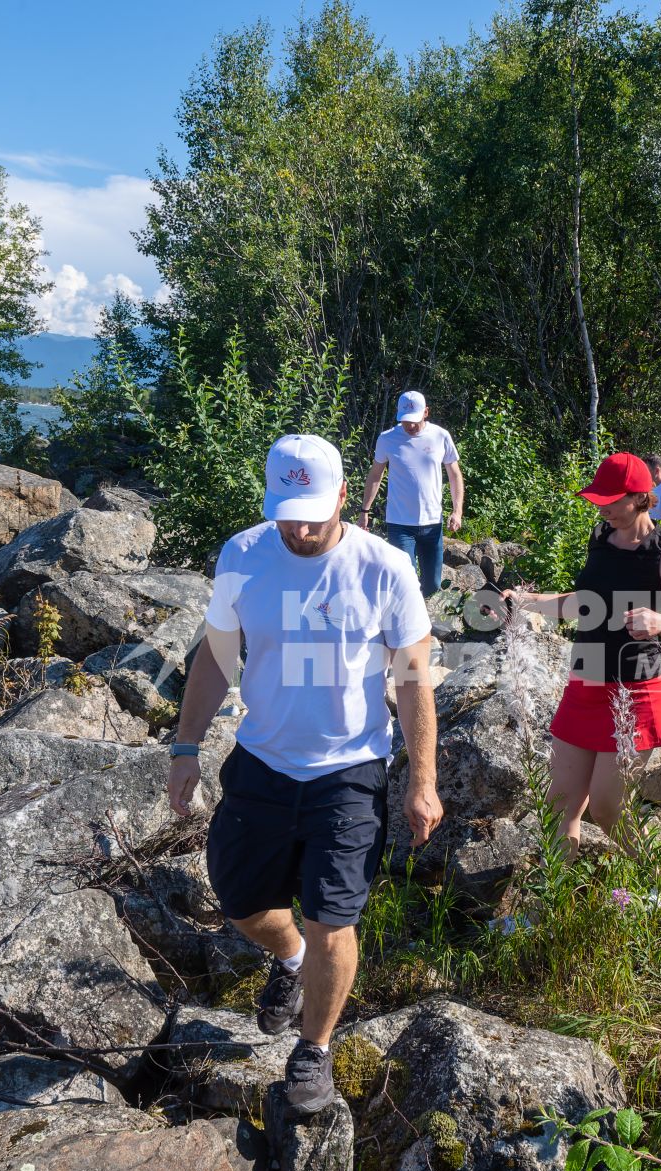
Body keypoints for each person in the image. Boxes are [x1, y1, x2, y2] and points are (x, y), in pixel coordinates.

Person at [170, 433, 443, 1115]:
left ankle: (314, 1049)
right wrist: (184, 747)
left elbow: (413, 682)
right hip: (262, 759)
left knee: (333, 920)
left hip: (349, 769)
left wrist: (422, 779)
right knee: (238, 902)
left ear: (346, 496)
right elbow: (216, 657)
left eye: (315, 512)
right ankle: (290, 963)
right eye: (288, 511)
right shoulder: (243, 554)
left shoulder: (383, 568)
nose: (301, 526)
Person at [502, 453, 661, 851]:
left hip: (635, 692)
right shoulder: (600, 538)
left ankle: (653, 886)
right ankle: (551, 908)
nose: (601, 508)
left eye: (610, 500)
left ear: (640, 497)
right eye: (598, 499)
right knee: (559, 807)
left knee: (607, 809)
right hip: (585, 683)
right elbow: (582, 602)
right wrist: (523, 600)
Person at [359, 390, 464, 597]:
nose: (411, 425)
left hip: (432, 523)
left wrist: (457, 511)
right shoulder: (387, 439)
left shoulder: (440, 436)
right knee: (404, 581)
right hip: (400, 524)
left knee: (432, 584)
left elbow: (455, 475)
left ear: (426, 412)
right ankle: (405, 627)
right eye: (406, 421)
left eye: (415, 420)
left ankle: (425, 622)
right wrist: (365, 511)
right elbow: (375, 476)